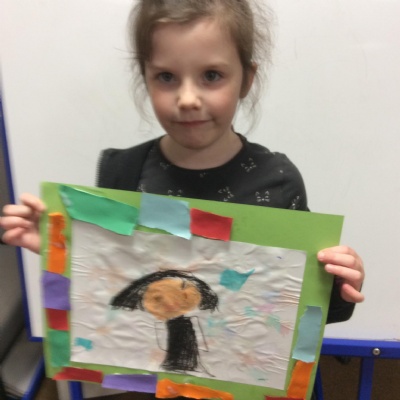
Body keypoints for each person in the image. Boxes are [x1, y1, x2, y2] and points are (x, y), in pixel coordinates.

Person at [0, 0, 364, 397]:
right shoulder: (123, 172)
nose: (188, 98)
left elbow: (303, 307)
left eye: (211, 75)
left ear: (246, 79)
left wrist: (338, 283)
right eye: (167, 77)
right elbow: (110, 288)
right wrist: (59, 248)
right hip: (165, 383)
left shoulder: (277, 181)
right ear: (145, 78)